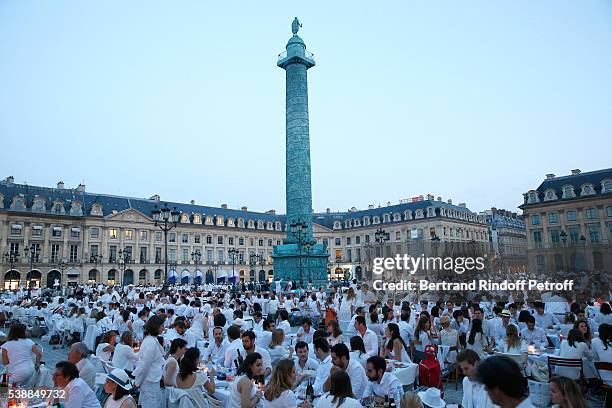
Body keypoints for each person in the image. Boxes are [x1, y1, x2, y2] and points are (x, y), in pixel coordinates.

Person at [133, 315, 166, 407]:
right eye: (162, 326)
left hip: (152, 381)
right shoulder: (150, 342)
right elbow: (144, 366)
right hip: (149, 382)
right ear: (156, 326)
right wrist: (137, 382)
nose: (163, 328)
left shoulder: (151, 340)